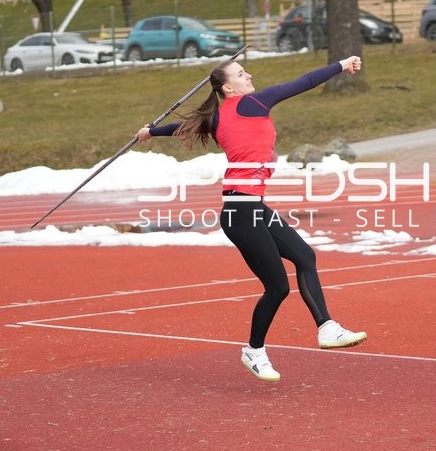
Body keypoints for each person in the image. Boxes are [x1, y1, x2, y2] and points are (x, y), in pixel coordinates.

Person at [136, 56, 368, 382]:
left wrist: (151, 132)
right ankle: (253, 350)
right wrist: (341, 65)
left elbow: (180, 128)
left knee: (305, 256)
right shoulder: (254, 102)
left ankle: (327, 327)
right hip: (241, 213)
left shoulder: (216, 117)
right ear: (228, 87)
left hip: (253, 208)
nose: (249, 76)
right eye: (242, 74)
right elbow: (303, 83)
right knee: (276, 287)